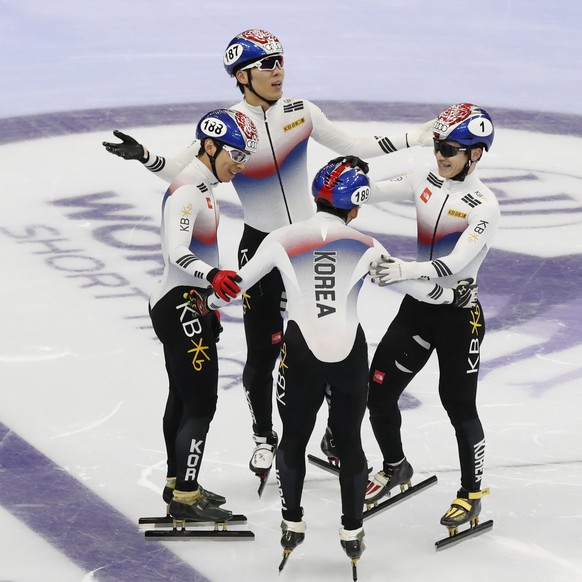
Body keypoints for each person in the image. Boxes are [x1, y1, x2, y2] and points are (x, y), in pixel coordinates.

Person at [102, 28, 434, 481]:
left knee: (332, 337)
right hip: (259, 244)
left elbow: (356, 148)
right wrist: (145, 156)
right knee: (263, 351)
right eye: (267, 65)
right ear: (242, 76)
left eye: (281, 61)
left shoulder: (302, 111)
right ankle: (263, 436)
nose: (279, 72)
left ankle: (335, 435)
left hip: (310, 242)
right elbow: (183, 172)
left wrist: (416, 137)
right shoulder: (228, 126)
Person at [185, 160, 477, 567]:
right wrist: (454, 299)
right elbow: (417, 289)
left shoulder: (280, 238)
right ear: (354, 207)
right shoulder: (366, 244)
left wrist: (210, 303)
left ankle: (292, 523)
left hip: (300, 353)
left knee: (292, 440)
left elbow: (237, 285)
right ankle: (352, 531)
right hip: (348, 357)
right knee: (351, 442)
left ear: (316, 196)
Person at [364, 103, 499, 535]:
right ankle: (396, 467)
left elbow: (455, 263)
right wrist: (343, 185)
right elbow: (371, 190)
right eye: (440, 145)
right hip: (420, 308)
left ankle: (471, 493)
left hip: (459, 317)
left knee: (458, 406)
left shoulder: (485, 205)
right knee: (378, 391)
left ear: (475, 154)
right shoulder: (424, 179)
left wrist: (401, 270)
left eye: (453, 149)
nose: (442, 154)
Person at [142, 108, 259, 522]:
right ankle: (186, 497)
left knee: (182, 397)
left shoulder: (203, 183)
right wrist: (213, 276)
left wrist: (209, 297)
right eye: (236, 155)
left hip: (187, 304)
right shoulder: (190, 190)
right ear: (210, 147)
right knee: (200, 405)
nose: (240, 165)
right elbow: (175, 250)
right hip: (181, 305)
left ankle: (178, 484)